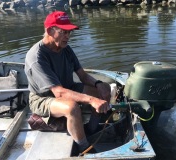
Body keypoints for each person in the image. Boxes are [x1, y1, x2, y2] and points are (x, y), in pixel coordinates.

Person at [24, 11, 111, 154]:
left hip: (67, 88)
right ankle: (84, 147)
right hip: (43, 98)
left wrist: (99, 84)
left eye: (69, 32)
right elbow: (58, 92)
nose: (68, 36)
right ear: (50, 31)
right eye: (63, 32)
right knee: (72, 108)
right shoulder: (36, 57)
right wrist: (92, 100)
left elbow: (82, 75)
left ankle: (91, 129)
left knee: (104, 89)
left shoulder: (65, 48)